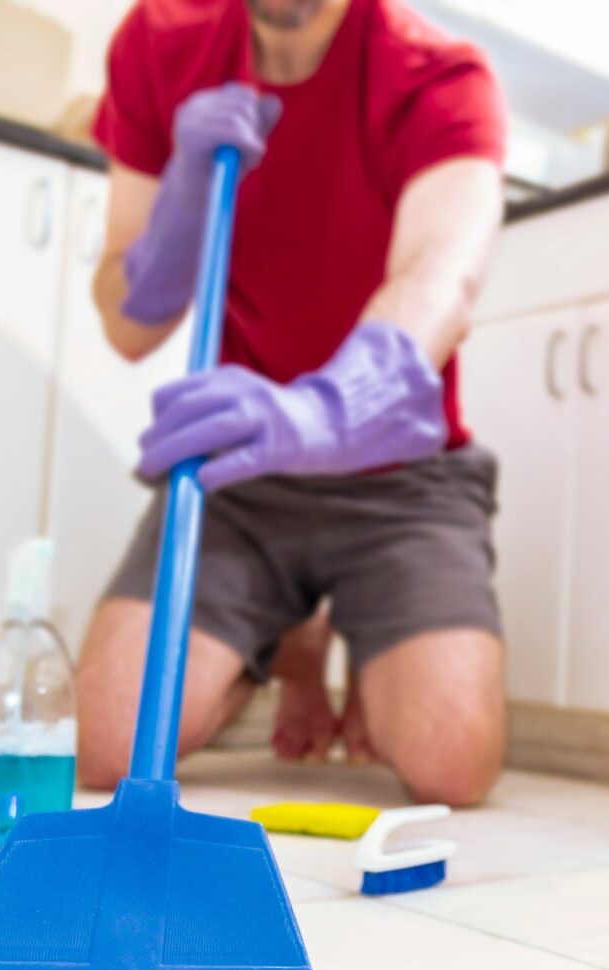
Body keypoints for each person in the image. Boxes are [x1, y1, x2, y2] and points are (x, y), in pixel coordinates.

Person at [76, 0, 509, 806]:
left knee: (449, 762)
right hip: (244, 465)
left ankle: (355, 626)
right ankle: (292, 641)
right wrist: (178, 206)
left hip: (400, 472)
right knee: (106, 739)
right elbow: (124, 327)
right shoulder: (160, 43)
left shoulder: (441, 75)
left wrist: (324, 411)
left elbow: (439, 282)